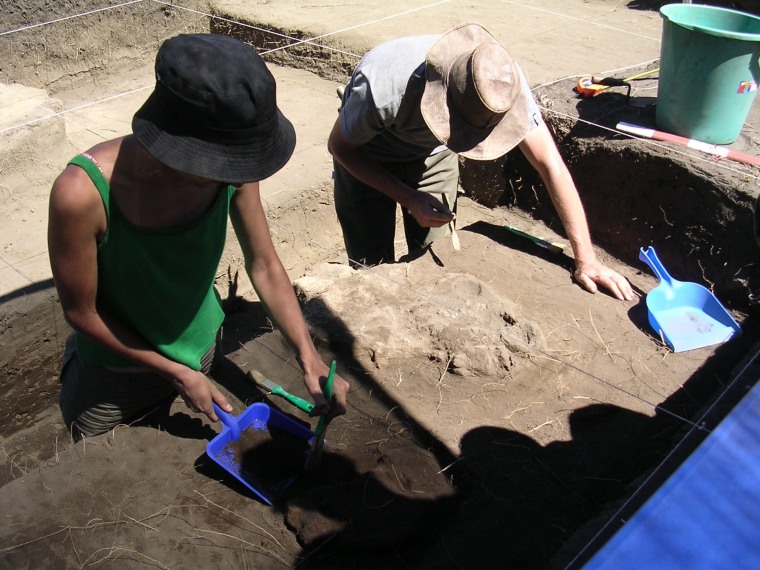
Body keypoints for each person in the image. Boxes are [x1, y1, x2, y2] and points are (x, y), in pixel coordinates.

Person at [48, 33, 349, 441]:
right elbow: (82, 313)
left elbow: (263, 264)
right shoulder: (81, 195)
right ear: (177, 145)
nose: (235, 175)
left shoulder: (232, 171)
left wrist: (308, 355)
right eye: (223, 163)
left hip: (203, 349)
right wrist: (174, 370)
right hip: (116, 381)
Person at [328, 22, 635, 302]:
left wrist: (586, 258)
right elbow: (341, 148)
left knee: (436, 259)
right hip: (368, 154)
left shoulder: (501, 84)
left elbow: (550, 165)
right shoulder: (384, 87)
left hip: (433, 157)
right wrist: (408, 198)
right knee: (369, 269)